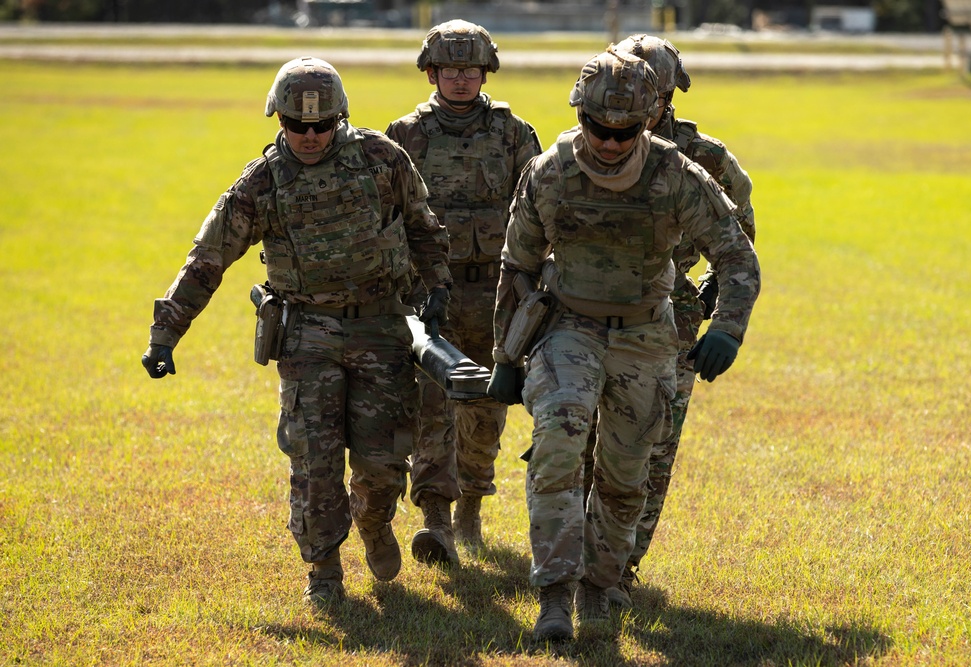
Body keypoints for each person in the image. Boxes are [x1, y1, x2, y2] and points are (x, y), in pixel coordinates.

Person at [140, 56, 453, 610]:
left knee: (382, 466)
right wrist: (166, 333)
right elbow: (207, 259)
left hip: (381, 327)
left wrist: (438, 289)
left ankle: (374, 521)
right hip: (307, 332)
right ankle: (324, 573)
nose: (309, 137)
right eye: (296, 125)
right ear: (277, 119)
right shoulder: (262, 183)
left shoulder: (382, 159)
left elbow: (424, 229)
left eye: (321, 125)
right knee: (314, 460)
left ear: (341, 119)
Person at [487, 48, 760, 641]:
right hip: (568, 328)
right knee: (558, 443)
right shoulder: (550, 172)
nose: (610, 144)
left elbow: (737, 255)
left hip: (645, 334)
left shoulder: (676, 174)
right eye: (599, 129)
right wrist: (506, 359)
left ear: (648, 119)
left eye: (626, 132)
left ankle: (602, 588)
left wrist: (727, 329)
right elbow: (518, 266)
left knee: (624, 476)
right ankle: (554, 597)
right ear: (579, 114)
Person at [582, 33, 758, 608]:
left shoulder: (702, 158)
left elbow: (739, 240)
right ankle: (574, 564)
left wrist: (716, 311)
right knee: (579, 444)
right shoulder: (584, 146)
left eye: (648, 95)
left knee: (649, 453)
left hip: (667, 322)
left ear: (666, 97)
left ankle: (619, 569)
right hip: (585, 318)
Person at [385, 19, 541, 567]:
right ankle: (436, 519)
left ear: (485, 72)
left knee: (487, 411)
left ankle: (472, 502)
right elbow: (387, 215)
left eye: (469, 70)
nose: (459, 79)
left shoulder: (513, 132)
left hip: (500, 295)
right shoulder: (404, 135)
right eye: (449, 70)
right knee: (434, 407)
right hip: (433, 296)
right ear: (431, 72)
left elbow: (539, 210)